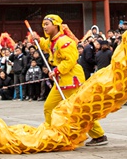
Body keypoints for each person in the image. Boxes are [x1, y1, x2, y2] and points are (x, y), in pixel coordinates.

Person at [30, 14, 107, 146]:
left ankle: (99, 135)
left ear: (56, 25)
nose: (44, 27)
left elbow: (70, 61)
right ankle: (51, 133)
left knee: (79, 109)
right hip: (61, 80)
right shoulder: (52, 41)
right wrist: (37, 39)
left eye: (47, 24)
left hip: (71, 80)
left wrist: (56, 70)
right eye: (43, 24)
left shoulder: (65, 41)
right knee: (49, 107)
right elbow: (45, 45)